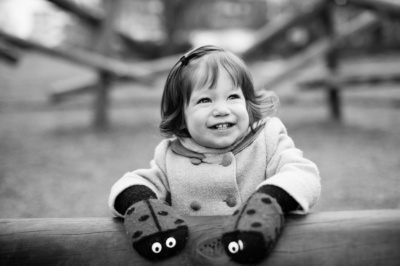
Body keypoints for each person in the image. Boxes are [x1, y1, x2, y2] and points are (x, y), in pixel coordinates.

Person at [108, 45, 321, 264]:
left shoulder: (268, 138)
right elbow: (132, 182)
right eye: (205, 100)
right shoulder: (170, 155)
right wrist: (143, 205)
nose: (221, 109)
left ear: (247, 103)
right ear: (181, 116)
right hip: (196, 258)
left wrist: (270, 200)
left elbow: (303, 173)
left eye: (232, 96)